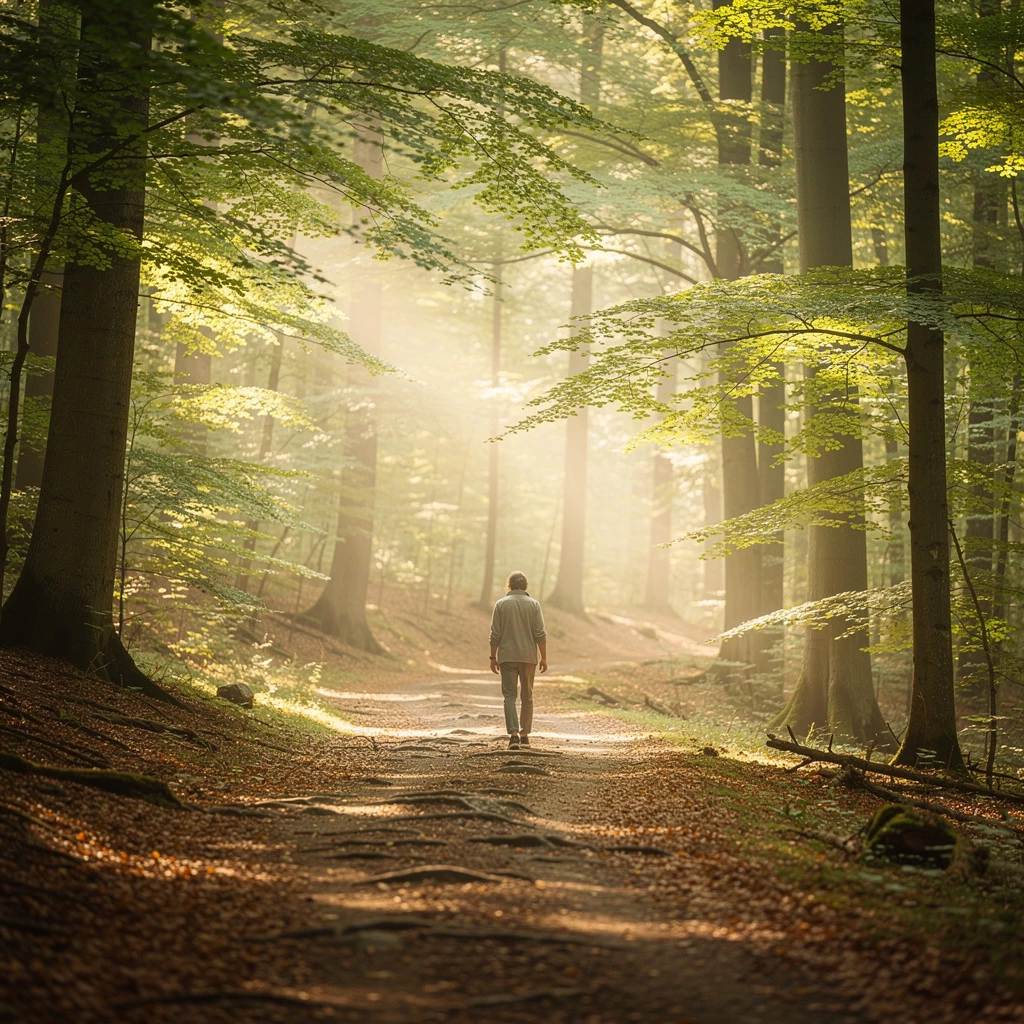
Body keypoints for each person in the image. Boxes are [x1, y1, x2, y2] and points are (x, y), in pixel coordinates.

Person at [488, 571, 547, 749]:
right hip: (528, 657)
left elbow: (495, 634)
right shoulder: (534, 604)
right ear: (525, 586)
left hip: (506, 656)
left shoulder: (501, 604)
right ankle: (525, 735)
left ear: (510, 585)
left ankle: (513, 736)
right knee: (527, 696)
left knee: (509, 697)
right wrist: (544, 657)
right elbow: (540, 633)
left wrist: (492, 656)